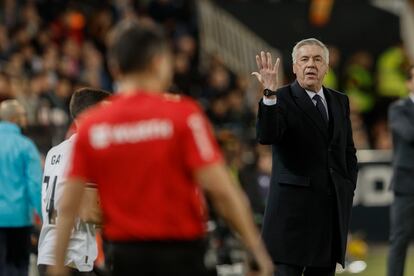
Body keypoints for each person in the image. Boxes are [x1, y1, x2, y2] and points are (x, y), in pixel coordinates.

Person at [49, 20, 273, 276]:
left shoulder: (93, 127)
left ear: (114, 68)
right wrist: (258, 252)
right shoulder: (183, 115)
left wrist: (57, 269)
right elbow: (223, 192)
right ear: (159, 62)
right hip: (180, 254)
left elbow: (67, 206)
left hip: (124, 256)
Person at [252, 38, 358, 276]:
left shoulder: (340, 101)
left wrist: (347, 184)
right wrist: (268, 94)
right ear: (295, 67)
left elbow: (348, 150)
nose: (311, 64)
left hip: (328, 217)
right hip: (291, 220)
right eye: (305, 59)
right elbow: (266, 135)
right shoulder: (280, 98)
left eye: (317, 59)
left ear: (326, 67)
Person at [37, 88, 111, 276]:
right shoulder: (87, 149)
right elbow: (88, 211)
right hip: (71, 258)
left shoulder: (56, 151)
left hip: (48, 252)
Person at [0, 99, 42, 276]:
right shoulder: (26, 146)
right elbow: (35, 185)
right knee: (18, 266)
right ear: (17, 118)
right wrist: (44, 216)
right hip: (19, 218)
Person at [387, 65, 414, 276]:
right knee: (400, 238)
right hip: (407, 184)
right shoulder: (398, 108)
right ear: (408, 83)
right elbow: (408, 133)